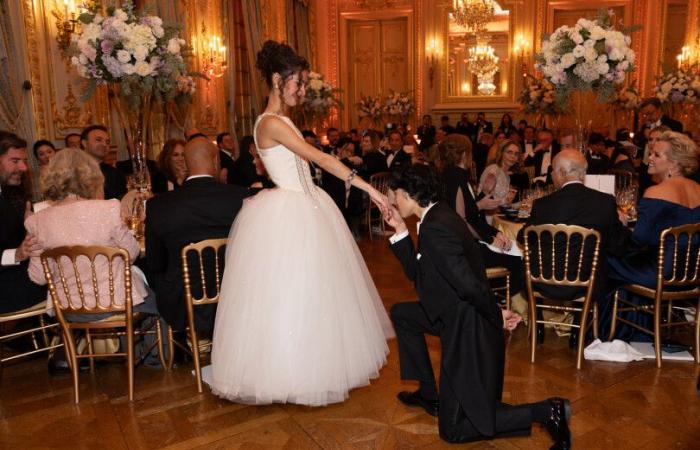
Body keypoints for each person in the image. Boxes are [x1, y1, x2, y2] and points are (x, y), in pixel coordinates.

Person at [201, 40, 394, 406]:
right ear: (277, 79)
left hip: (307, 207)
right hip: (292, 213)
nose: (303, 91)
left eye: (305, 84)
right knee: (291, 295)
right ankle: (288, 374)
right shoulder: (270, 122)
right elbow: (318, 157)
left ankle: (314, 366)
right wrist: (371, 189)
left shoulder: (282, 120)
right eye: (299, 83)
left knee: (313, 294)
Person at [385, 163, 572, 448]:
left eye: (394, 195)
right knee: (402, 314)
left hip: (466, 327)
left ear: (410, 194)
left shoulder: (436, 228)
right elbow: (420, 274)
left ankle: (548, 411)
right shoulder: (435, 215)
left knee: (454, 431)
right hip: (450, 312)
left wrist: (496, 314)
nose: (392, 201)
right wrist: (400, 229)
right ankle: (428, 392)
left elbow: (470, 285)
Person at [25, 148, 157, 318]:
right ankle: (133, 344)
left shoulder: (36, 221)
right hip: (117, 302)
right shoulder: (108, 208)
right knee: (158, 306)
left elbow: (39, 277)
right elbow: (131, 253)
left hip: (69, 309)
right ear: (92, 176)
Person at [518, 149, 631, 346]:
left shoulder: (543, 204)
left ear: (561, 173)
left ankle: (538, 326)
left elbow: (523, 237)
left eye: (552, 170)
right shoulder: (604, 202)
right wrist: (620, 224)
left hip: (542, 282)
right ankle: (579, 328)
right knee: (601, 263)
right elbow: (617, 246)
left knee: (532, 259)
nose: (551, 175)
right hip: (589, 284)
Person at [145, 137, 248, 333]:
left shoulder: (158, 205)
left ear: (185, 162)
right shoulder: (242, 197)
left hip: (182, 305)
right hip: (236, 297)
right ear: (216, 161)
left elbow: (155, 263)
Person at [606, 131, 700, 340]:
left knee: (603, 257)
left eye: (657, 155)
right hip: (691, 273)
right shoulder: (698, 190)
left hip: (659, 272)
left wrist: (620, 223)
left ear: (674, 163)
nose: (649, 158)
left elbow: (638, 241)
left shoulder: (656, 192)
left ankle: (618, 330)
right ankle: (640, 324)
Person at [438, 134, 524, 295]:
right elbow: (461, 220)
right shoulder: (456, 177)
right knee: (519, 261)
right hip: (465, 248)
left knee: (515, 251)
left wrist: (484, 194)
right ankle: (497, 301)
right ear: (465, 154)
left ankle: (496, 299)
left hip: (466, 240)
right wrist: (490, 239)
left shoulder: (452, 174)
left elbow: (470, 211)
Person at [0, 132, 45, 314]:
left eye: (24, 161)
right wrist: (16, 255)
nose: (24, 167)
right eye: (15, 161)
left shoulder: (10, 194)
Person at [81, 125, 127, 200]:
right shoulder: (73, 171)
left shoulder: (116, 173)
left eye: (107, 142)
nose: (104, 144)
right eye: (98, 140)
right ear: (84, 143)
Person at [479, 139, 520, 207]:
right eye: (509, 152)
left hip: (498, 213)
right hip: (488, 215)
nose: (513, 156)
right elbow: (485, 201)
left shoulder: (506, 175)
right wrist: (505, 200)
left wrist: (508, 200)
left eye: (516, 154)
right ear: (501, 153)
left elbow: (502, 202)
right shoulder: (493, 171)